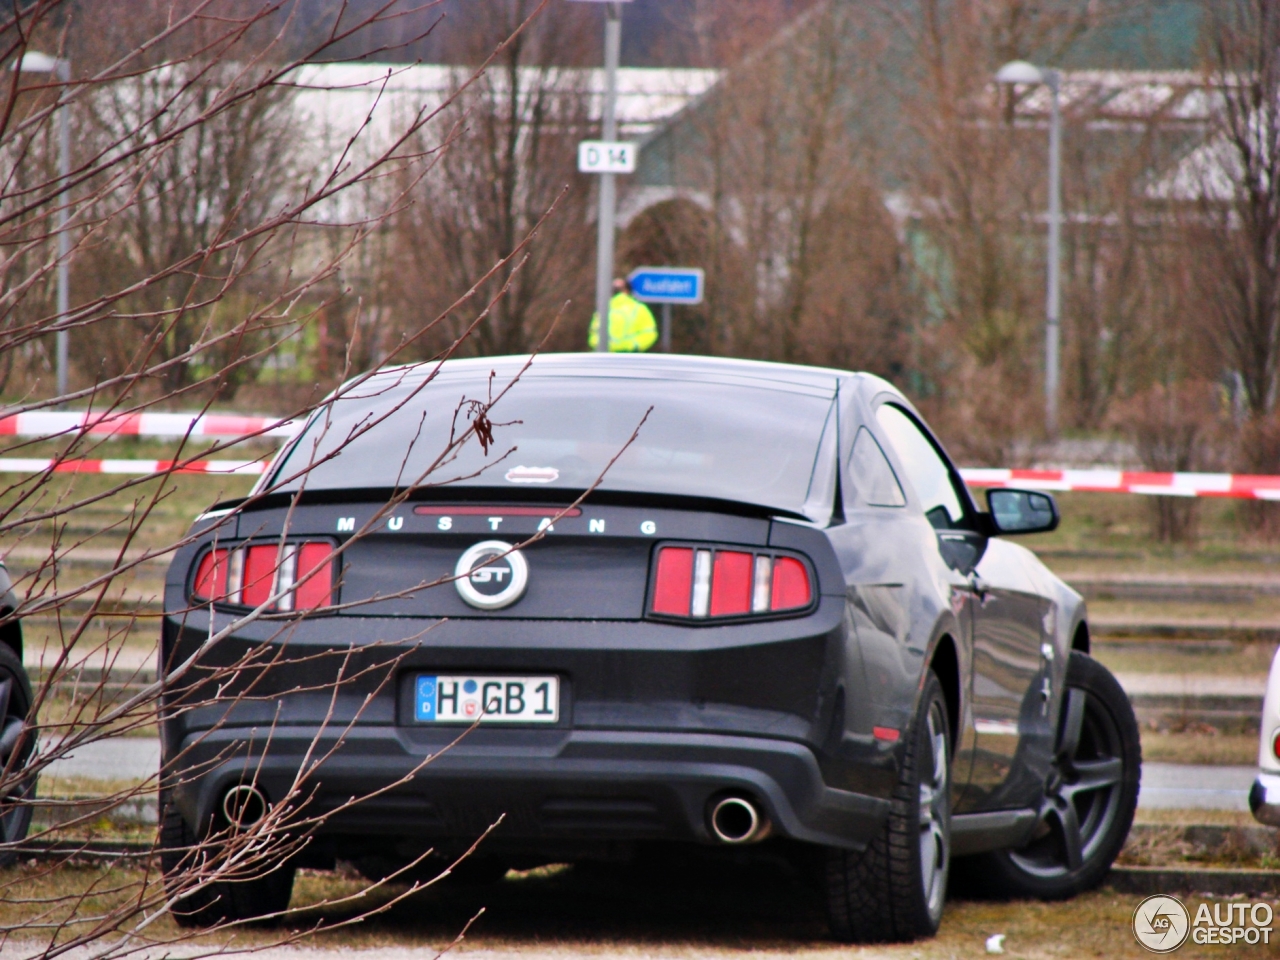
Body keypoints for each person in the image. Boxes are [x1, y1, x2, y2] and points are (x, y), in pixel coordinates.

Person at [587, 277, 658, 352]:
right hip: (626, 356)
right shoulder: (639, 308)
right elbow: (650, 333)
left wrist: (606, 345)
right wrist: (633, 345)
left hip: (611, 355)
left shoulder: (603, 310)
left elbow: (593, 335)